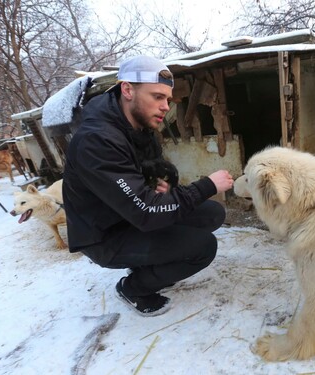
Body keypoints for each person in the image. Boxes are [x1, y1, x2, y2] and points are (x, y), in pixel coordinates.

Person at [63, 55, 234, 317]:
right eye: (157, 96)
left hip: (127, 215)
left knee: (212, 213)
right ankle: (133, 288)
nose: (165, 106)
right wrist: (207, 185)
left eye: (167, 99)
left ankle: (151, 264)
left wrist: (161, 184)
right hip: (104, 235)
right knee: (203, 247)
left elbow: (146, 177)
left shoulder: (137, 126)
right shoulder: (97, 140)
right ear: (128, 90)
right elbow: (145, 212)